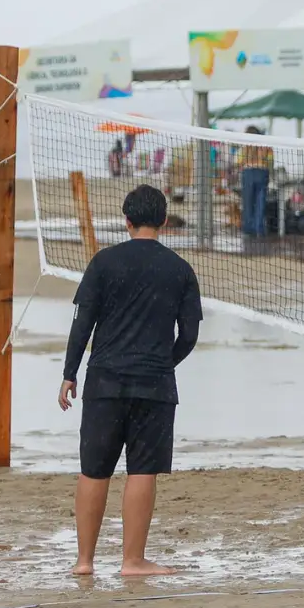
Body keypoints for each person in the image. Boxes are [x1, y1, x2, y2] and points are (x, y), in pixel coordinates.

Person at [59, 184, 202, 576]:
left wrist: (69, 373)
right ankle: (132, 561)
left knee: (94, 469)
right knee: (142, 470)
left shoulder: (103, 263)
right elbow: (189, 334)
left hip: (104, 382)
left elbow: (81, 323)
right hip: (154, 385)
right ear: (164, 221)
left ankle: (84, 561)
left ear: (126, 221)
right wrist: (164, 362)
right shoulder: (180, 269)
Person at [239, 124, 274, 241]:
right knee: (260, 202)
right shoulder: (266, 145)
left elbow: (239, 160)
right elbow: (270, 160)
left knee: (248, 203)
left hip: (248, 172)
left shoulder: (245, 146)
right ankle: (259, 229)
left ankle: (249, 229)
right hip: (262, 172)